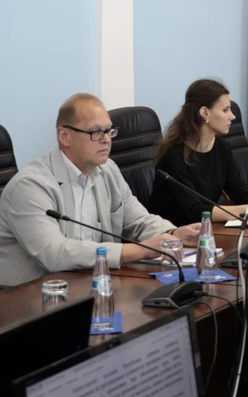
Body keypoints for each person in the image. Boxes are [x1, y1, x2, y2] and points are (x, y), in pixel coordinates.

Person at [0, 94, 200, 288]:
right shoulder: (30, 186)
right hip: (30, 295)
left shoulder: (107, 170)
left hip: (91, 283)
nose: (106, 140)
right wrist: (138, 251)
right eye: (95, 132)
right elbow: (55, 253)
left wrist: (172, 234)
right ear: (64, 136)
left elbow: (137, 220)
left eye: (109, 130)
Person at [148, 79, 248, 226]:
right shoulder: (173, 155)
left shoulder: (222, 148)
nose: (232, 116)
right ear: (205, 113)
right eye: (225, 110)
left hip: (205, 229)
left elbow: (239, 192)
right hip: (172, 232)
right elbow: (196, 211)